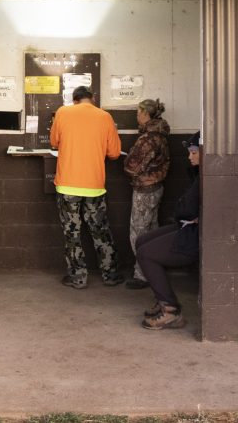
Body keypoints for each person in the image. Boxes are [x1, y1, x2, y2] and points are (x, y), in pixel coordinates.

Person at [50, 85, 124, 289]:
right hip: (94, 187)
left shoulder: (63, 112)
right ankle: (110, 275)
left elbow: (54, 142)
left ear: (74, 100)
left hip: (67, 187)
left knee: (72, 234)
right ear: (93, 98)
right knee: (100, 231)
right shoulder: (104, 116)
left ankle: (78, 278)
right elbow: (115, 153)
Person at [135, 131, 201, 330]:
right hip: (189, 225)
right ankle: (161, 296)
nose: (190, 157)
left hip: (196, 234)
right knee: (141, 242)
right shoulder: (199, 172)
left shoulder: (207, 175)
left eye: (193, 152)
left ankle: (170, 310)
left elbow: (185, 208)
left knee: (146, 254)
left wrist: (185, 212)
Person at [122, 98, 171, 290]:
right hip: (157, 187)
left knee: (139, 233)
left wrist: (126, 162)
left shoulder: (148, 139)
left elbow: (132, 167)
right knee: (153, 231)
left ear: (145, 114)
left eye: (138, 113)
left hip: (144, 190)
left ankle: (143, 274)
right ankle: (154, 270)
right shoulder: (162, 135)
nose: (136, 116)